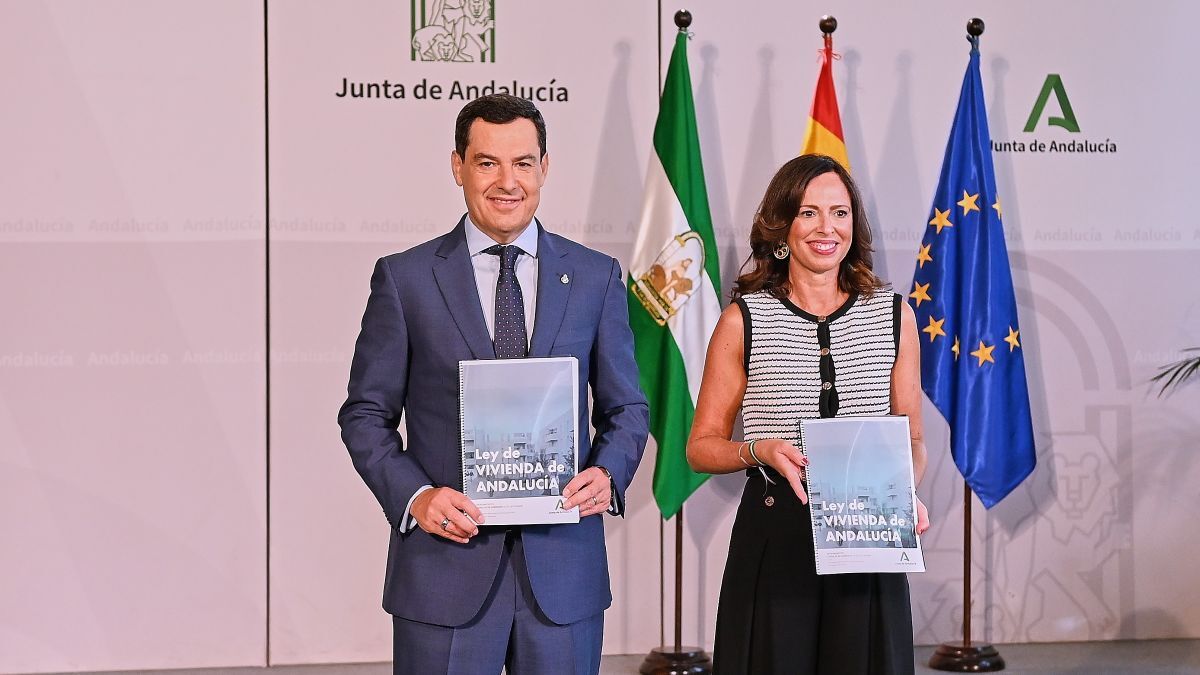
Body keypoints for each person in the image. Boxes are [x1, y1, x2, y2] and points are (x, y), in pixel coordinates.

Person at [338, 94, 648, 674]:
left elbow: (627, 407)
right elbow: (364, 415)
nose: (507, 181)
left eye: (523, 163)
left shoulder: (595, 277)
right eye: (487, 163)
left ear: (545, 168)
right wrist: (416, 497)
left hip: (562, 576)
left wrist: (609, 473)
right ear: (457, 166)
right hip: (443, 571)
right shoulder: (405, 280)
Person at [686, 154, 931, 674]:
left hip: (871, 540)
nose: (827, 228)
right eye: (809, 213)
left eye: (840, 213)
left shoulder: (894, 314)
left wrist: (905, 489)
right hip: (776, 542)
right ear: (781, 227)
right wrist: (761, 450)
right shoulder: (742, 320)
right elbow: (701, 446)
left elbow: (912, 438)